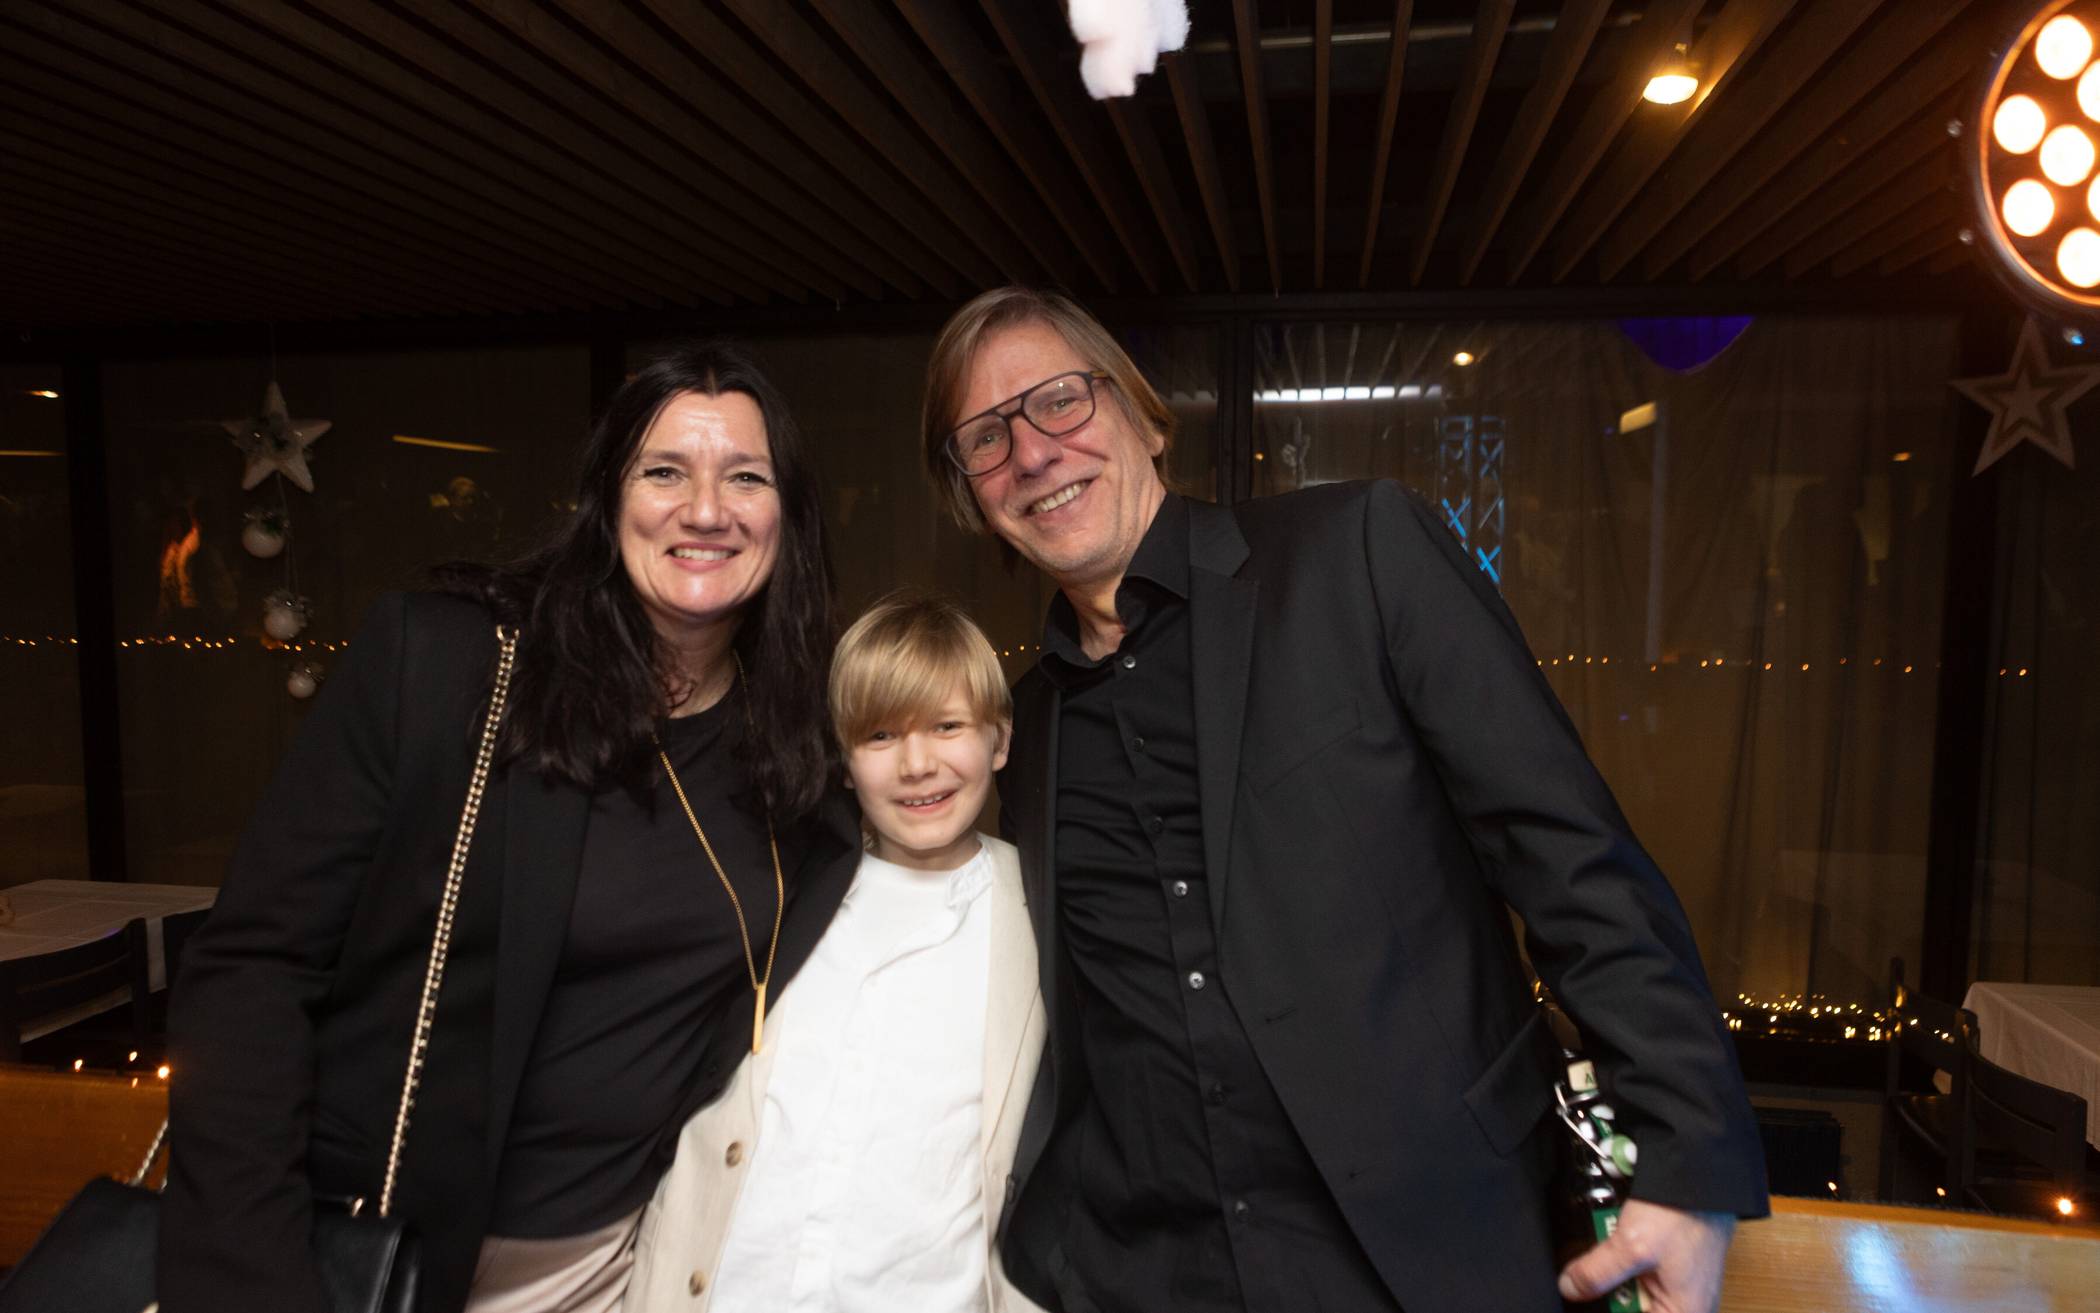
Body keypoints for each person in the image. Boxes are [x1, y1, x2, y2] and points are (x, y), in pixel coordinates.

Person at [918, 287, 1769, 1313]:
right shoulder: (1026, 728)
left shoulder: (1359, 550)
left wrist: (1686, 1163)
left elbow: (1572, 858)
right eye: (986, 437)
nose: (1032, 451)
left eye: (1059, 399)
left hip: (1434, 1248)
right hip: (1147, 1274)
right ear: (973, 494)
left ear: (1142, 416)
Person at [159, 340, 861, 1313]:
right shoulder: (446, 667)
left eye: (746, 476)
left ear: (790, 514)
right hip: (382, 1264)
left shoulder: (796, 748)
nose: (706, 509)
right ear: (608, 498)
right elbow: (253, 967)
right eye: (664, 471)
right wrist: (256, 1280)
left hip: (631, 1269)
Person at [628, 590, 1046, 1313]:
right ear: (845, 761)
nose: (917, 764)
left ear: (999, 740)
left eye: (947, 726)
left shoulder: (1039, 908)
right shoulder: (778, 888)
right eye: (880, 735)